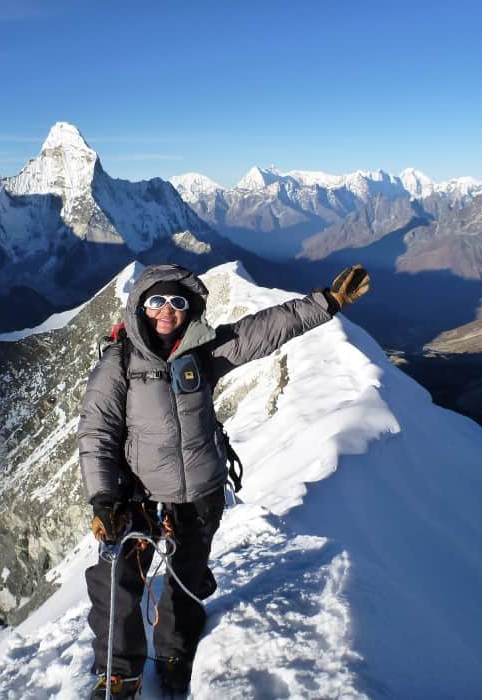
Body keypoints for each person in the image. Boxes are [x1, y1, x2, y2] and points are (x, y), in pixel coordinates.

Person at [77, 262, 370, 698]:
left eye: (177, 302)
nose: (166, 311)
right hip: (138, 496)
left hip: (200, 493)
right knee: (116, 583)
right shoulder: (120, 363)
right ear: (140, 306)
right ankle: (119, 674)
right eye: (156, 300)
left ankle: (175, 658)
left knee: (186, 580)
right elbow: (97, 433)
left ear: (190, 308)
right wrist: (104, 497)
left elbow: (263, 330)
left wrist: (325, 303)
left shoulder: (203, 352)